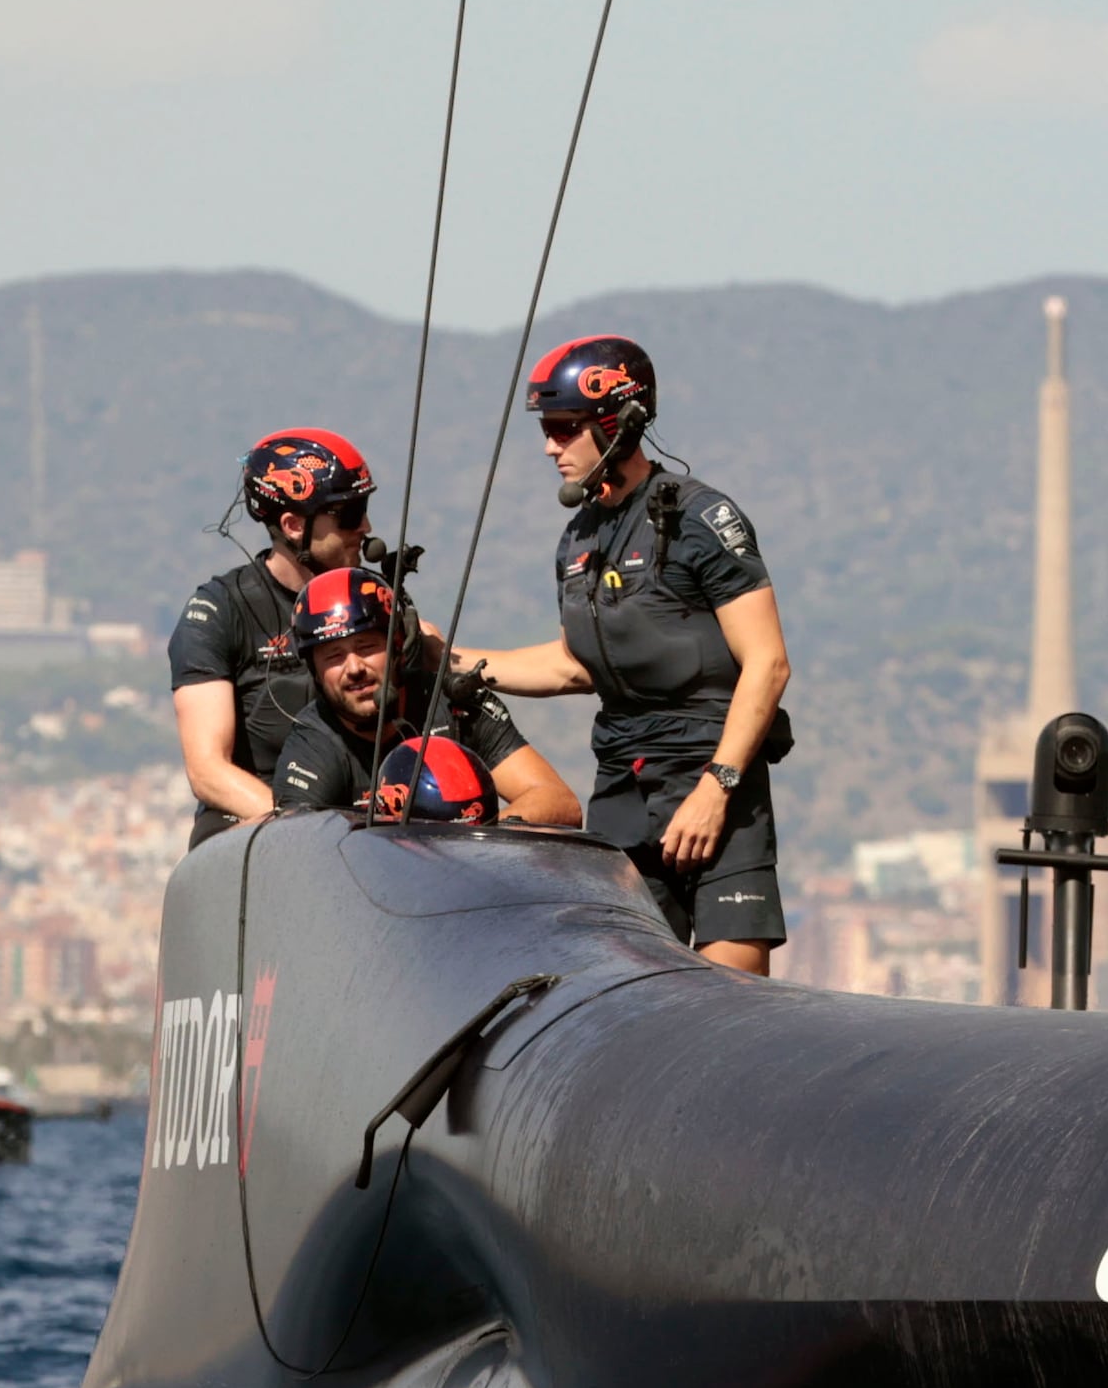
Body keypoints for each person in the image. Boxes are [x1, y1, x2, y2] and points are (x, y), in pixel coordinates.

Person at [458, 335, 792, 973]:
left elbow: (768, 663)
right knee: (624, 979)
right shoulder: (580, 535)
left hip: (711, 772)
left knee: (727, 993)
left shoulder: (701, 518)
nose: (550, 445)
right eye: (546, 429)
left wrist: (716, 788)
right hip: (623, 782)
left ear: (620, 422)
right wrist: (449, 660)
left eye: (564, 428)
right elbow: (574, 665)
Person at [168, 427, 370, 845]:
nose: (365, 526)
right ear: (294, 525)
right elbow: (207, 770)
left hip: (361, 834)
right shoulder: (220, 610)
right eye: (350, 514)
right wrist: (305, 828)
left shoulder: (375, 600)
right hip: (262, 833)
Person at [270, 567, 583, 827]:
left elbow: (560, 803)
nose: (354, 668)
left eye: (367, 647)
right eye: (334, 657)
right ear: (314, 670)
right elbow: (297, 846)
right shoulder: (313, 742)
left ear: (398, 646)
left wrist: (479, 838)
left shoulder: (453, 704)